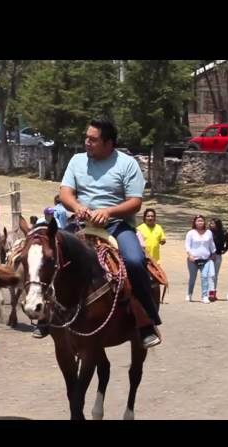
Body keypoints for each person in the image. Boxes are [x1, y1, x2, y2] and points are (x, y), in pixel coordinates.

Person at [60, 117, 161, 349]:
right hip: (81, 224)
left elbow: (135, 202)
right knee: (49, 252)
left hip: (116, 225)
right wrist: (78, 207)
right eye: (86, 137)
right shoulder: (77, 161)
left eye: (93, 140)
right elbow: (65, 193)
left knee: (135, 262)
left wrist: (108, 212)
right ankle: (47, 315)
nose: (87, 142)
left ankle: (146, 321)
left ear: (109, 143)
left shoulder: (127, 164)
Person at [184, 214, 216, 304]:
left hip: (205, 259)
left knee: (205, 276)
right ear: (195, 222)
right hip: (193, 259)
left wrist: (213, 253)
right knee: (192, 277)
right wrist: (190, 255)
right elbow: (187, 245)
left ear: (204, 222)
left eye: (201, 221)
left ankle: (204, 296)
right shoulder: (191, 233)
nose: (200, 222)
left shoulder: (208, 232)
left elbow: (211, 244)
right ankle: (189, 293)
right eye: (198, 221)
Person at [208, 218, 228, 301]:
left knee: (215, 275)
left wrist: (223, 251)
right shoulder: (208, 232)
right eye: (210, 223)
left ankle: (213, 294)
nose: (210, 225)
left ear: (217, 224)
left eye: (212, 223)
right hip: (209, 256)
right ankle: (209, 293)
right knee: (209, 274)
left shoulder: (224, 232)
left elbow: (227, 244)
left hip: (218, 255)